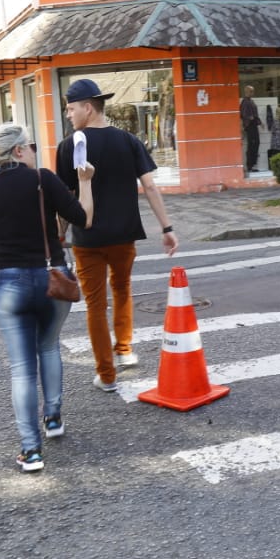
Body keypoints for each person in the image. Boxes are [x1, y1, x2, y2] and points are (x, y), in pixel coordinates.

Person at [0, 123, 95, 473]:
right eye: (31, 145)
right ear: (18, 151)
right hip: (52, 279)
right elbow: (83, 219)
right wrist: (86, 181)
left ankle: (31, 451)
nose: (35, 150)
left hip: (10, 285)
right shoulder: (43, 179)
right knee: (48, 347)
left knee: (21, 369)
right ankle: (54, 418)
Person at [56, 79, 178, 393]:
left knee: (96, 305)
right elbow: (150, 186)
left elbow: (66, 197)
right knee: (122, 290)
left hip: (88, 238)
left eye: (71, 109)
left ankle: (107, 375)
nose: (68, 115)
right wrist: (167, 228)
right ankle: (124, 350)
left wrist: (60, 233)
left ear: (87, 107)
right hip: (124, 235)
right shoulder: (129, 140)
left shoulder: (69, 146)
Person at [240, 85, 261, 173]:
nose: (252, 93)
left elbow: (254, 113)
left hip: (253, 124)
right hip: (250, 125)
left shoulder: (251, 101)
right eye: (251, 91)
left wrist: (259, 121)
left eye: (252, 91)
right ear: (247, 91)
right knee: (252, 144)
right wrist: (250, 118)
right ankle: (250, 166)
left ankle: (253, 164)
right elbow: (243, 114)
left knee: (256, 143)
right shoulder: (245, 102)